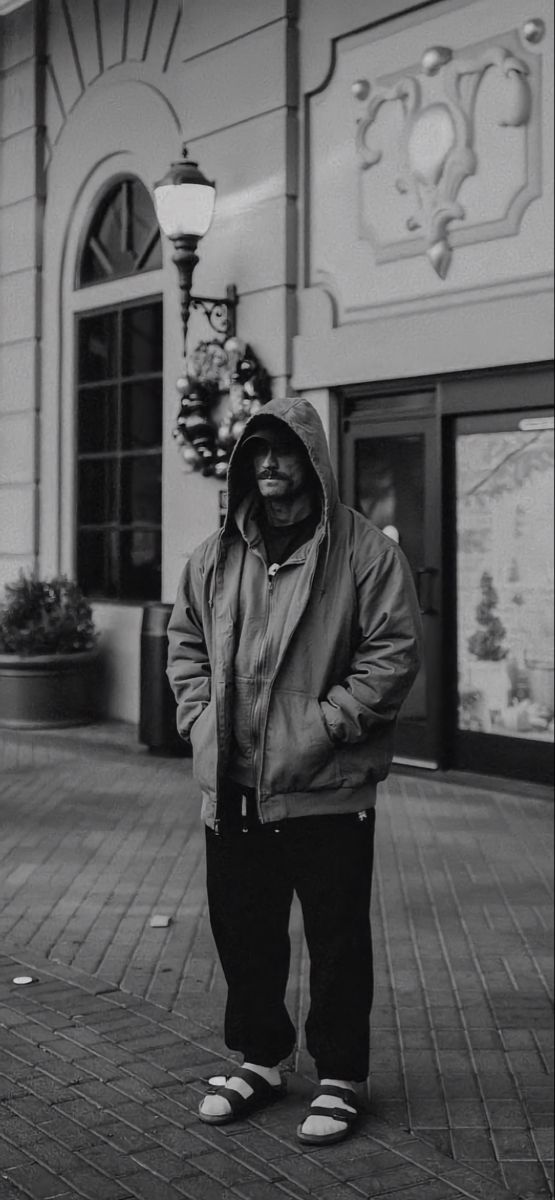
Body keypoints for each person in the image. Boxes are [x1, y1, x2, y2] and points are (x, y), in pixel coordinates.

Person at [167, 397, 422, 1146]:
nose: (268, 463)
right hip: (235, 786)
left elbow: (392, 656)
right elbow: (184, 646)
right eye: (256, 452)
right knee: (244, 931)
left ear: (311, 459)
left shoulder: (364, 553)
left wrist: (319, 729)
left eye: (282, 451)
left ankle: (341, 1075)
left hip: (326, 788)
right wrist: (197, 725)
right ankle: (260, 1058)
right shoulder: (215, 555)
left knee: (336, 939)